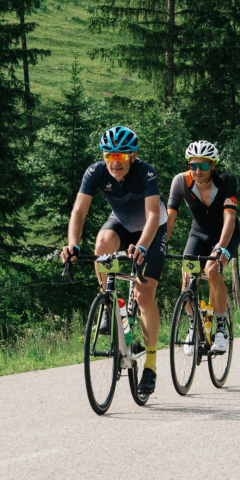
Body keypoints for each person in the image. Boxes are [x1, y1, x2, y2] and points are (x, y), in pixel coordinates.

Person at [59, 125, 167, 398]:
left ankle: (151, 367)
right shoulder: (95, 172)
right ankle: (110, 301)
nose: (114, 163)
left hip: (151, 229)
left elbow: (153, 215)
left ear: (132, 156)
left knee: (144, 295)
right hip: (121, 223)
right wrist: (73, 244)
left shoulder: (146, 171)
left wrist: (142, 245)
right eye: (109, 156)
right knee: (102, 244)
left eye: (121, 157)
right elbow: (79, 211)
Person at [167, 140, 239, 354]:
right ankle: (193, 325)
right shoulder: (180, 182)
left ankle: (220, 328)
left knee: (211, 270)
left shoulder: (227, 181)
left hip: (226, 233)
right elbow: (169, 219)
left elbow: (230, 218)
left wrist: (221, 249)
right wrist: (158, 245)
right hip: (198, 233)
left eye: (203, 166)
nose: (198, 171)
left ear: (213, 166)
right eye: (193, 165)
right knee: (187, 275)